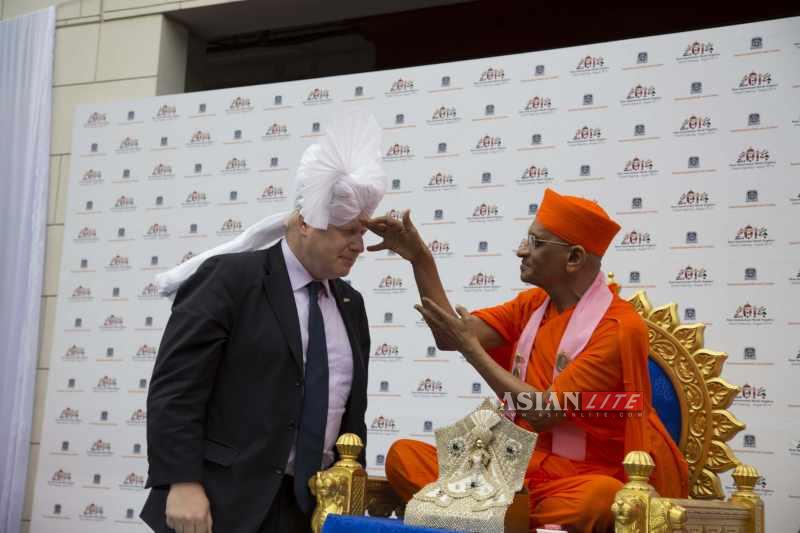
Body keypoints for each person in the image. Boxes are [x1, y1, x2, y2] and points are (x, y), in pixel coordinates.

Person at [366, 188, 688, 532]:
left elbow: (543, 413)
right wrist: (420, 259)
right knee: (404, 457)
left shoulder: (619, 328)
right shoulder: (532, 305)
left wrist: (472, 351)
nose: (521, 250)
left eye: (536, 243)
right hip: (511, 468)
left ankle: (479, 516)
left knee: (600, 499)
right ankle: (498, 518)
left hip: (577, 477)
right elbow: (452, 335)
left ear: (574, 258)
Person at [141, 112, 387, 533]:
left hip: (309, 511)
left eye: (362, 232)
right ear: (307, 222)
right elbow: (177, 388)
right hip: (219, 505)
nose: (359, 246)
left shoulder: (351, 304)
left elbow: (350, 414)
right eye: (347, 231)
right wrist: (180, 481)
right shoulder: (230, 279)